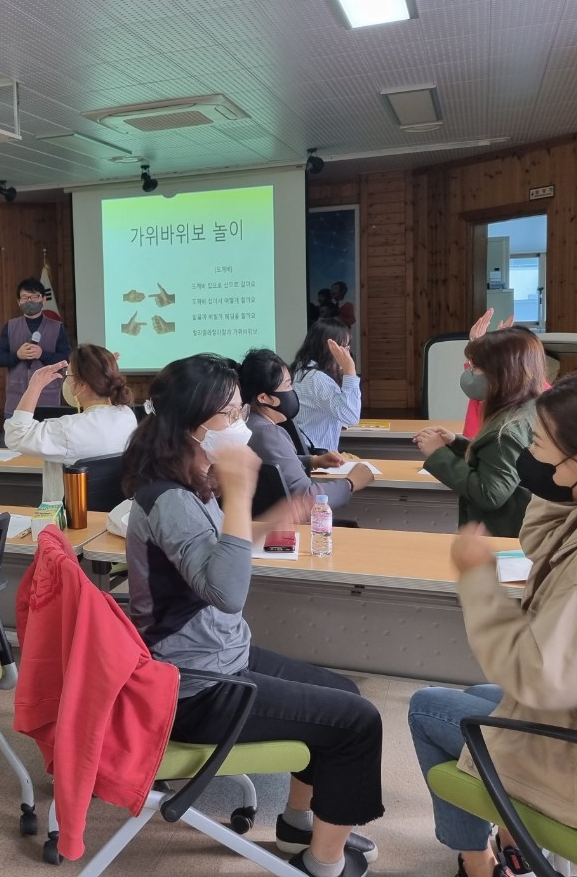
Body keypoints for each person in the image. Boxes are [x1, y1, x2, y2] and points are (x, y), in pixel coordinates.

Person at [122, 354, 383, 877]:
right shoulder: (170, 498)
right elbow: (226, 591)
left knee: (344, 693)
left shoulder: (188, 480)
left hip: (221, 659)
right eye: (229, 413)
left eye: (241, 411)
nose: (239, 424)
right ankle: (325, 864)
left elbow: (217, 552)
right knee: (357, 722)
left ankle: (298, 823)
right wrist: (241, 496)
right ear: (190, 424)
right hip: (195, 688)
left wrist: (270, 519)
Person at [409, 373, 577, 877]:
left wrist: (477, 581)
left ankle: (479, 864)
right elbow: (545, 542)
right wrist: (567, 481)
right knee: (478, 693)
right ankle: (514, 846)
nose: (528, 455)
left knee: (427, 706)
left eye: (539, 444)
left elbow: (533, 677)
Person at [416, 327, 546, 537]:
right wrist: (456, 443)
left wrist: (439, 455)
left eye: (475, 368)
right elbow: (496, 458)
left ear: (500, 373)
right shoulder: (529, 407)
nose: (470, 374)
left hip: (497, 535)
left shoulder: (507, 430)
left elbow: (490, 494)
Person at [241, 349, 372, 511]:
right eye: (287, 385)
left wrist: (313, 461)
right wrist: (351, 483)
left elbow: (274, 467)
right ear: (264, 398)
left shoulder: (249, 424)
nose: (292, 391)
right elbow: (306, 497)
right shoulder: (269, 433)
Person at [3, 344, 138, 501]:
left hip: (72, 514)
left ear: (81, 385)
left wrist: (35, 386)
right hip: (115, 512)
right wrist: (103, 370)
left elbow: (16, 435)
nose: (66, 380)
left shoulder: (68, 429)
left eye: (68, 374)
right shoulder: (127, 416)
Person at [0, 278, 72, 415]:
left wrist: (42, 354)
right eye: (25, 297)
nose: (29, 301)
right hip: (16, 398)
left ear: (43, 299)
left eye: (34, 296)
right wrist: (17, 355)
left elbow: (66, 359)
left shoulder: (57, 327)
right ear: (19, 302)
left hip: (48, 397)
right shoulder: (10, 327)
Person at [290, 319, 361, 452]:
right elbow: (351, 416)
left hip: (308, 452)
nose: (347, 353)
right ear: (328, 348)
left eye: (348, 347)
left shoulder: (302, 370)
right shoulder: (317, 378)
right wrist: (350, 371)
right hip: (318, 456)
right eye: (343, 347)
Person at [462, 309, 516, 439]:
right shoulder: (482, 389)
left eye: (475, 366)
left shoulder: (534, 397)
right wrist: (475, 341)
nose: (471, 371)